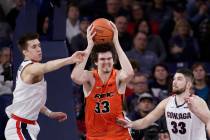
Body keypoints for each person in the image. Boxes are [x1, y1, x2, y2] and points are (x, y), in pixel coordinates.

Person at [4, 33, 86, 140]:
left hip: (27, 126)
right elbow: (47, 66)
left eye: (39, 45)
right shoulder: (30, 68)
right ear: (25, 52)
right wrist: (71, 59)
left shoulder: (32, 68)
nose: (39, 49)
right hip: (20, 126)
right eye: (34, 47)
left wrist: (50, 113)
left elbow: (33, 101)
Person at [71, 21, 134, 139]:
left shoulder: (118, 77)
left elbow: (130, 73)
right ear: (95, 62)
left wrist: (116, 42)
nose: (106, 62)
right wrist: (89, 46)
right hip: (96, 136)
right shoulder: (90, 77)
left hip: (119, 136)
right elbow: (75, 77)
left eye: (109, 59)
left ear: (114, 60)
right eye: (103, 59)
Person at [117, 68, 210, 140]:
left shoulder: (198, 101)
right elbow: (146, 121)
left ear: (189, 84)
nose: (174, 82)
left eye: (179, 79)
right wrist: (130, 124)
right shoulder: (167, 102)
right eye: (174, 79)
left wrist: (196, 111)